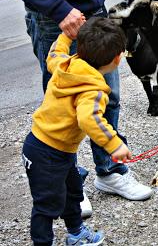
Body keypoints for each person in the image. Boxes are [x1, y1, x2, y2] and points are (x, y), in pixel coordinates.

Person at [6, 0, 152, 209]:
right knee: (64, 104)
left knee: (109, 97)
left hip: (92, 7)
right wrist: (59, 9)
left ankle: (109, 171)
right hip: (54, 16)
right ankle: (69, 184)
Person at [22, 17, 145, 245]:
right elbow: (89, 119)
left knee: (72, 192)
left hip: (49, 148)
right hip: (47, 154)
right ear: (118, 58)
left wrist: (66, 36)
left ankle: (77, 233)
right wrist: (114, 144)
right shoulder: (94, 89)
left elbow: (54, 53)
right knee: (46, 205)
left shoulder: (67, 64)